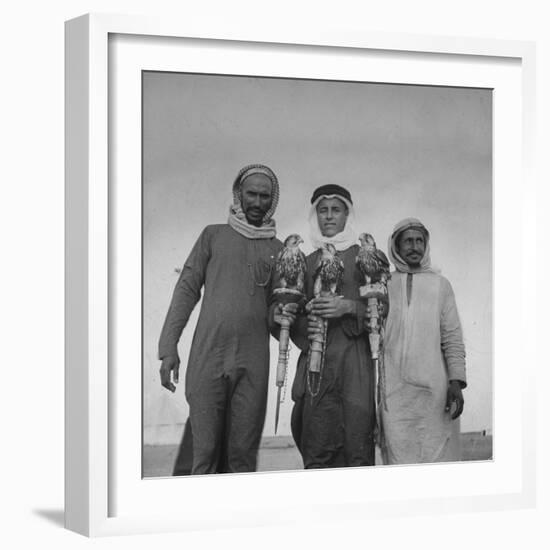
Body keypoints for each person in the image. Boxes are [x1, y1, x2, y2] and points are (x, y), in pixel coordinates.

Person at [158, 164, 283, 474]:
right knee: (205, 451)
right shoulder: (213, 236)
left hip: (253, 361)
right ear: (237, 195)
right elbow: (187, 289)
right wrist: (168, 347)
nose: (257, 202)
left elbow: (277, 314)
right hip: (209, 355)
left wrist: (282, 316)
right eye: (250, 194)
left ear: (273, 200)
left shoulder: (278, 250)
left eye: (264, 196)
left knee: (242, 454)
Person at [272, 184, 376, 469]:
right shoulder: (304, 261)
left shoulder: (364, 256)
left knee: (357, 446)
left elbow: (385, 310)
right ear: (314, 215)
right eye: (323, 210)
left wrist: (350, 307)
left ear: (347, 215)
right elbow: (286, 310)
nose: (329, 216)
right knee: (317, 444)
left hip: (356, 365)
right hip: (317, 363)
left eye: (336, 210)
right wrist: (295, 317)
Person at [380, 218, 467, 464]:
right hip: (395, 395)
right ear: (396, 246)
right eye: (408, 241)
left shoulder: (441, 285)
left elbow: (452, 336)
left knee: (437, 461)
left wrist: (456, 381)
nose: (414, 247)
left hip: (435, 392)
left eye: (420, 241)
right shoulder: (383, 285)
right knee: (398, 464)